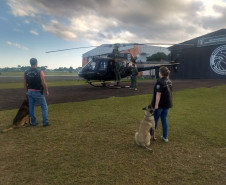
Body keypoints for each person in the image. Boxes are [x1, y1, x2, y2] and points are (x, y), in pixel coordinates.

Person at [24, 58, 50, 127]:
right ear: (36, 63)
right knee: (44, 107)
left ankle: (34, 122)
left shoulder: (26, 72)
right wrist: (46, 91)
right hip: (38, 92)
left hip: (29, 91)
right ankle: (45, 122)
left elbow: (25, 83)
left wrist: (26, 92)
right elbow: (43, 82)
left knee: (31, 108)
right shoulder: (40, 72)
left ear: (30, 63)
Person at [150, 66, 173, 142]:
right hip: (167, 105)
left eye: (159, 72)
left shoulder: (159, 82)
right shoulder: (169, 81)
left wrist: (156, 105)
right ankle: (165, 137)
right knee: (164, 120)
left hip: (160, 106)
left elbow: (158, 94)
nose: (158, 73)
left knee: (154, 121)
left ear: (161, 73)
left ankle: (150, 135)